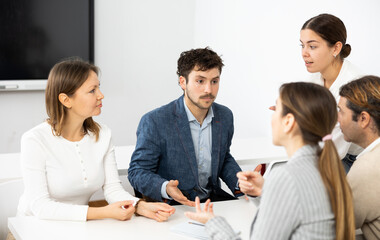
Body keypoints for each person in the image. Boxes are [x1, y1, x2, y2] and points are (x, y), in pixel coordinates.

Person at [185, 82, 355, 240]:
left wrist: (213, 223)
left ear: (288, 122)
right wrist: (266, 191)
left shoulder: (287, 176)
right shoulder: (325, 167)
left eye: (276, 109)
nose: (272, 117)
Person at [17, 58, 175, 222]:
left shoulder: (103, 134)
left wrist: (140, 207)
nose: (101, 95)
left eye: (99, 87)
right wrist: (103, 212)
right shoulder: (35, 140)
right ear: (66, 100)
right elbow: (41, 206)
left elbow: (113, 189)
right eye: (92, 90)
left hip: (76, 227)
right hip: (32, 227)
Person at [128, 47, 242, 206]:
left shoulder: (225, 116)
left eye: (214, 81)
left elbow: (222, 159)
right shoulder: (155, 121)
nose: (208, 90)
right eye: (200, 81)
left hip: (212, 201)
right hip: (175, 204)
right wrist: (165, 187)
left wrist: (241, 182)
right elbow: (137, 172)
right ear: (183, 82)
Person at [300, 13, 363, 172]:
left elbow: (334, 150)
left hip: (352, 160)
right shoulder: (316, 75)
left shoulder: (353, 86)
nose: (304, 53)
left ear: (336, 48)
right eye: (302, 45)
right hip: (324, 151)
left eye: (312, 46)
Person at [338, 76, 380, 240]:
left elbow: (333, 226)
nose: (337, 118)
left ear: (363, 119)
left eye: (341, 111)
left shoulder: (367, 168)